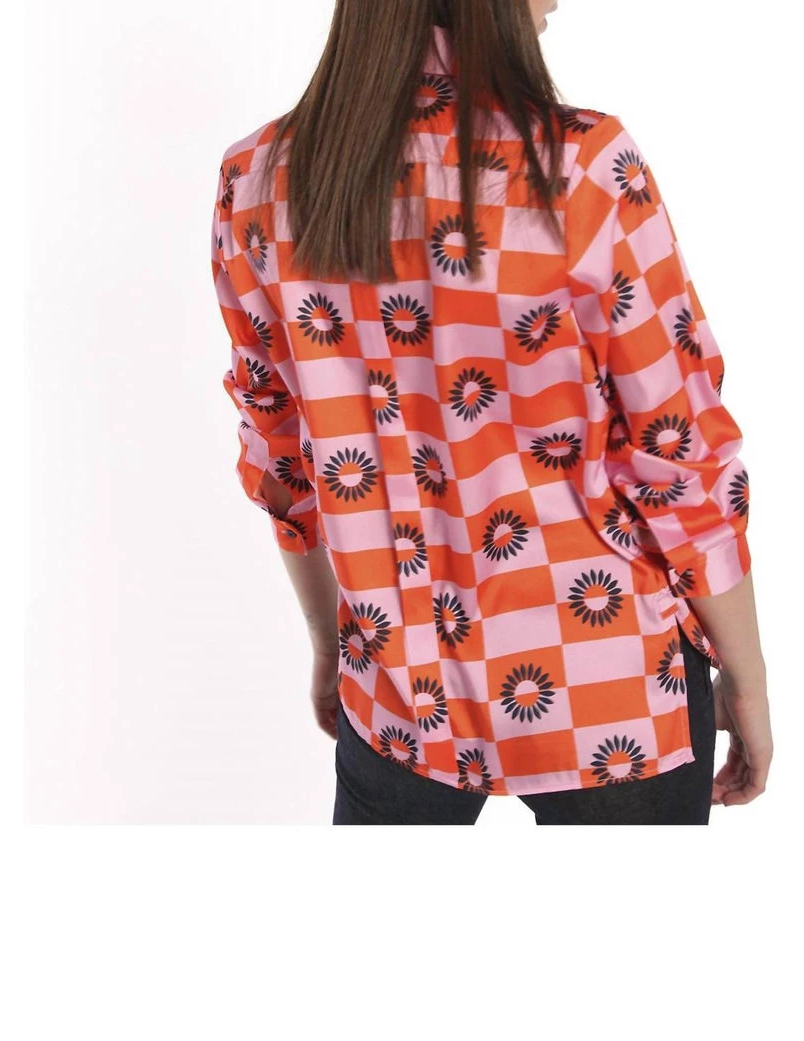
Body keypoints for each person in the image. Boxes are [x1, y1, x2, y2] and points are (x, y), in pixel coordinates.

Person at [209, 0, 771, 825]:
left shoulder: (258, 180)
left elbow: (280, 452)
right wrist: (747, 676)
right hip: (613, 687)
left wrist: (331, 638)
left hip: (397, 686)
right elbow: (679, 451)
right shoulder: (579, 167)